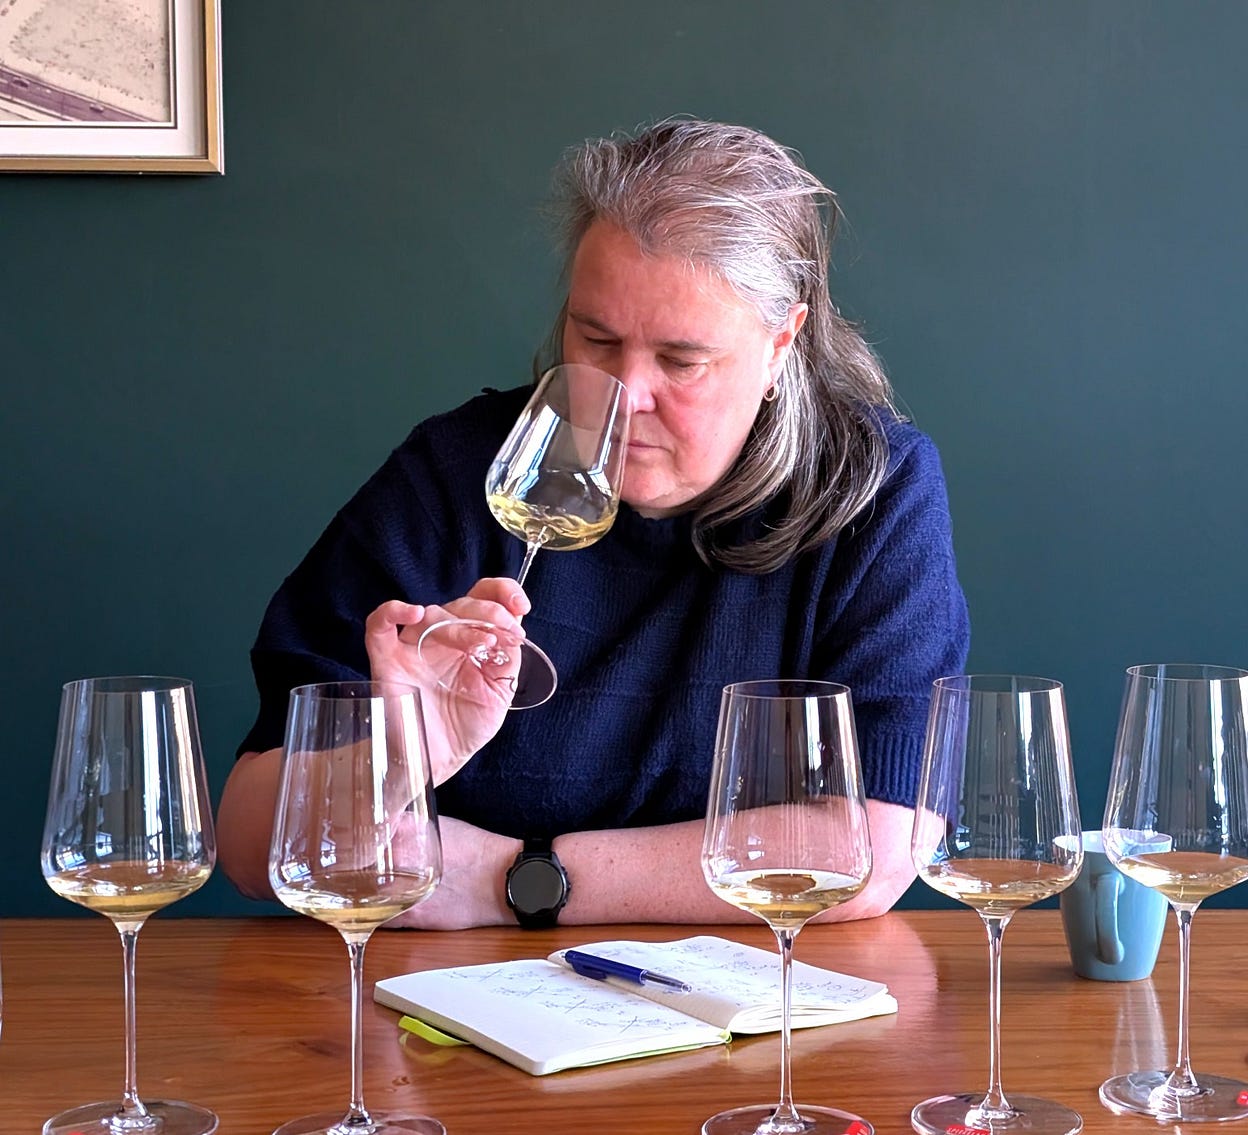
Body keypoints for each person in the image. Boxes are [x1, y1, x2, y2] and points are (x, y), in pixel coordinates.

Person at [216, 117, 970, 928]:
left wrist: (511, 880)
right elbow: (249, 844)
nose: (625, 394)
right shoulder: (456, 474)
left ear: (780, 343)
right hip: (450, 993)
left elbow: (877, 849)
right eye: (595, 337)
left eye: (681, 360)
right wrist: (397, 757)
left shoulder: (871, 490)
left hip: (759, 990)